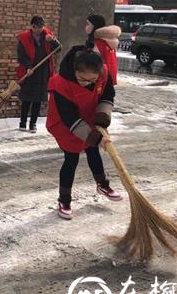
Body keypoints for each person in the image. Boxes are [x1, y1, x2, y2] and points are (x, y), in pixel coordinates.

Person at [46, 45, 123, 220]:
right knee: (71, 159)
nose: (87, 83)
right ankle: (64, 200)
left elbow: (107, 95)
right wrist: (97, 139)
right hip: (65, 124)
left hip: (88, 116)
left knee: (93, 151)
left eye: (91, 80)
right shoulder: (60, 83)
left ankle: (103, 185)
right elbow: (69, 117)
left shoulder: (103, 73)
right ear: (75, 70)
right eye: (81, 79)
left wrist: (102, 117)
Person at [16, 15, 60, 132]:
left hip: (43, 72)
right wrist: (28, 67)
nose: (39, 30)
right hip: (30, 72)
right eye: (36, 28)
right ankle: (22, 123)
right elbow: (21, 56)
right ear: (32, 26)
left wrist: (53, 41)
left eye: (41, 27)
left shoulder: (47, 36)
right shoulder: (24, 38)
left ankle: (33, 124)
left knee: (37, 100)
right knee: (26, 99)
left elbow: (58, 49)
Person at [85, 14, 121, 85]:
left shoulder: (101, 43)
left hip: (98, 80)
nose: (85, 27)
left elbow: (109, 63)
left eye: (88, 24)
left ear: (95, 25)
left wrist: (109, 81)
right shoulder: (100, 41)